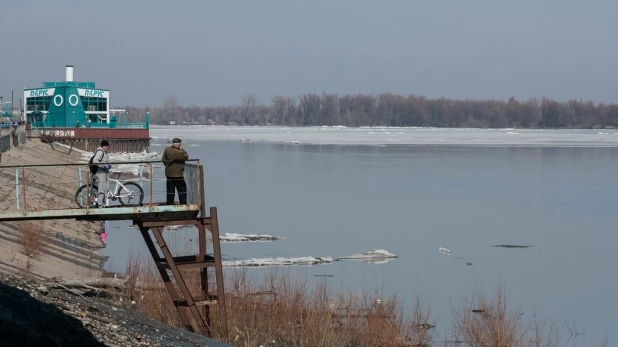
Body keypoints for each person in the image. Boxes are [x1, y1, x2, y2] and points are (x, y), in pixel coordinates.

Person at [162, 137, 188, 205]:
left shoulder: (167, 150)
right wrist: (182, 150)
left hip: (169, 173)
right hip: (178, 174)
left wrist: (167, 166)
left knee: (170, 190)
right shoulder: (179, 152)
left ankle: (169, 203)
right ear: (179, 144)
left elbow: (164, 159)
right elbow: (185, 157)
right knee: (182, 189)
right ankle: (183, 203)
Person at [92, 140, 112, 207]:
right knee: (101, 189)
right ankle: (100, 204)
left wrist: (109, 165)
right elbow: (95, 160)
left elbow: (106, 160)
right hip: (100, 173)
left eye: (107, 146)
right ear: (102, 146)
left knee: (106, 189)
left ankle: (104, 203)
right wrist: (103, 166)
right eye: (105, 146)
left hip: (105, 173)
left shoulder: (105, 152)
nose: (107, 147)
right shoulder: (100, 152)